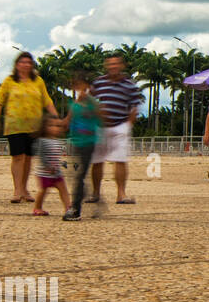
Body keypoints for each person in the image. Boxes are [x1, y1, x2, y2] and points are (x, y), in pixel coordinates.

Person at [0, 52, 56, 203]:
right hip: (14, 125)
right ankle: (17, 189)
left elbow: (46, 100)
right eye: (22, 62)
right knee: (18, 157)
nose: (26, 65)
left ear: (32, 65)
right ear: (17, 64)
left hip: (33, 126)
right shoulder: (9, 81)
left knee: (28, 158)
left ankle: (25, 189)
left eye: (28, 62)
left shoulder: (38, 81)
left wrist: (56, 117)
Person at [88, 53, 142, 205]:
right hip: (100, 126)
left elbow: (135, 106)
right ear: (106, 66)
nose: (113, 67)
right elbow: (89, 99)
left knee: (120, 160)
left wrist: (128, 125)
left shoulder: (129, 85)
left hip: (120, 125)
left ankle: (121, 194)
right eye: (110, 64)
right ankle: (95, 193)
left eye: (116, 64)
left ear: (121, 65)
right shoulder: (99, 82)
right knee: (97, 161)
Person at [62, 70, 103, 221]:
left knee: (79, 176)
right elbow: (68, 121)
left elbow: (101, 120)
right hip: (75, 143)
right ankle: (96, 203)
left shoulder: (92, 103)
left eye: (80, 85)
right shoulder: (75, 104)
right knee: (78, 175)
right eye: (76, 86)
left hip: (88, 143)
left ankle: (75, 208)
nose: (78, 88)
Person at [32, 116, 69, 216]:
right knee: (43, 191)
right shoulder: (42, 141)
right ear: (44, 127)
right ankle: (37, 207)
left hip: (57, 173)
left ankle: (68, 208)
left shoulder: (57, 141)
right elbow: (41, 155)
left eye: (58, 126)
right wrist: (47, 166)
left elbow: (57, 157)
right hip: (45, 173)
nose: (55, 128)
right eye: (51, 125)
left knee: (63, 190)